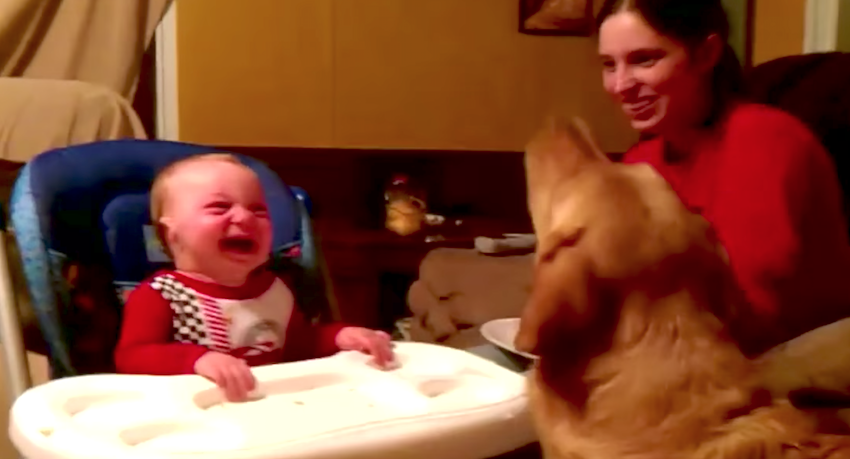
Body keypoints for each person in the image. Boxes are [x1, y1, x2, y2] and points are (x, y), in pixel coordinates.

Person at [596, 0, 850, 357]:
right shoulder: (640, 161)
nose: (621, 84)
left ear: (706, 54)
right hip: (693, 348)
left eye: (644, 60)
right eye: (609, 65)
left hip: (790, 355)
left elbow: (751, 318)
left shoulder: (765, 141)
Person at [114, 154, 395, 402]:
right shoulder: (160, 295)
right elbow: (132, 358)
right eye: (219, 207)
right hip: (196, 419)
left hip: (269, 411)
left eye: (258, 210)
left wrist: (341, 336)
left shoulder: (276, 291)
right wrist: (197, 360)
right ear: (170, 234)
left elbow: (297, 348)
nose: (245, 217)